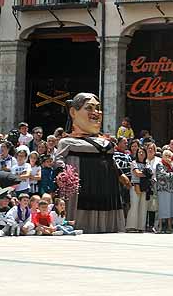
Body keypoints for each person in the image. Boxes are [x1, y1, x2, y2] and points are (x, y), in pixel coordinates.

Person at [52, 94, 128, 233]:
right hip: (83, 181)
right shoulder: (67, 142)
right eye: (89, 108)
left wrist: (120, 174)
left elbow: (112, 161)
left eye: (98, 108)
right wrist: (61, 173)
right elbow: (59, 159)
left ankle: (107, 225)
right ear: (73, 112)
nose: (96, 112)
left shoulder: (106, 142)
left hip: (106, 184)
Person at [153, 148, 173, 232]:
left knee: (171, 208)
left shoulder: (172, 165)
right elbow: (163, 176)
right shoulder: (159, 164)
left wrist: (171, 164)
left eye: (169, 156)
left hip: (172, 189)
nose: (168, 157)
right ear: (163, 156)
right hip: (163, 189)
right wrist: (172, 175)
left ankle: (169, 226)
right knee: (163, 208)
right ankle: (160, 226)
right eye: (166, 156)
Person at [126, 147, 150, 232]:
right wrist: (146, 174)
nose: (141, 154)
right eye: (139, 152)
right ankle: (131, 226)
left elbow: (149, 173)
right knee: (134, 205)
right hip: (135, 186)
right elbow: (137, 173)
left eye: (143, 152)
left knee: (143, 207)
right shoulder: (133, 163)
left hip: (144, 187)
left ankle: (141, 227)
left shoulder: (147, 163)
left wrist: (145, 174)